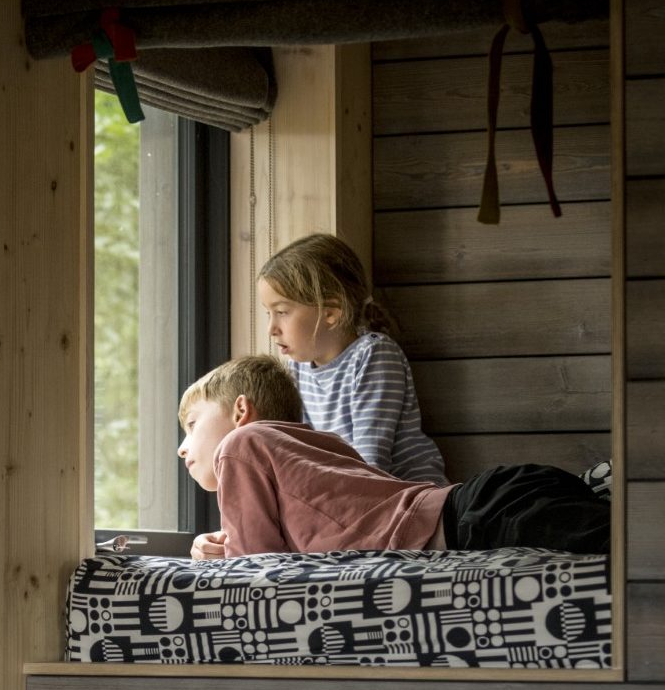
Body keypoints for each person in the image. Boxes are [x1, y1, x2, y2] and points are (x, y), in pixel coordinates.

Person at [178, 355, 610, 560]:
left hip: (481, 516)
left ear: (240, 411)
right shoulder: (317, 447)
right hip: (489, 502)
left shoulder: (240, 445)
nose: (183, 446)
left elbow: (259, 570)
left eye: (192, 424)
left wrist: (215, 553)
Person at [258, 233, 447, 485]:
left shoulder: (374, 356)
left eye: (281, 312)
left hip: (410, 501)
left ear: (331, 312)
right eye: (268, 313)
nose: (271, 329)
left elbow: (371, 462)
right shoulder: (298, 368)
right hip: (354, 493)